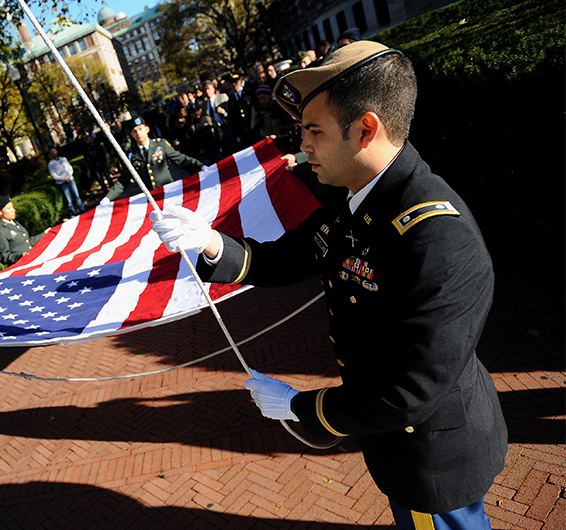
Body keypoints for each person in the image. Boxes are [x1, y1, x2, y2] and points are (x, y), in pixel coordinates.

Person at [150, 42, 507, 530]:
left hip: (431, 451)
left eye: (314, 131)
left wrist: (301, 408)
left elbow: (407, 393)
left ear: (365, 129)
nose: (303, 146)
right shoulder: (361, 198)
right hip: (399, 441)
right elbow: (292, 255)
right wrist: (213, 244)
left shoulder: (436, 238)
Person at [103, 115, 204, 202]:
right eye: (134, 131)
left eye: (140, 129)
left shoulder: (160, 145)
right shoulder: (131, 155)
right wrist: (108, 198)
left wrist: (201, 166)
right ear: (131, 135)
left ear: (147, 129)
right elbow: (124, 180)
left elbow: (181, 159)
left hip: (170, 192)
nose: (138, 133)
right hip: (152, 199)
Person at [0, 195, 49, 266]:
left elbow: (27, 242)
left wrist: (44, 234)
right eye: (9, 208)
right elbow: (4, 256)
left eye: (12, 207)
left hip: (31, 261)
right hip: (20, 266)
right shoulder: (0, 231)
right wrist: (19, 256)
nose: (13, 210)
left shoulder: (14, 223)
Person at [47, 147, 85, 217]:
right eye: (52, 152)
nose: (54, 153)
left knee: (77, 196)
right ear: (50, 154)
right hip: (62, 183)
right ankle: (73, 213)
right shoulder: (51, 164)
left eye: (54, 151)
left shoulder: (63, 159)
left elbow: (70, 168)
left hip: (70, 180)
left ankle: (82, 210)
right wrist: (63, 179)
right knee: (68, 200)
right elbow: (54, 175)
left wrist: (69, 176)